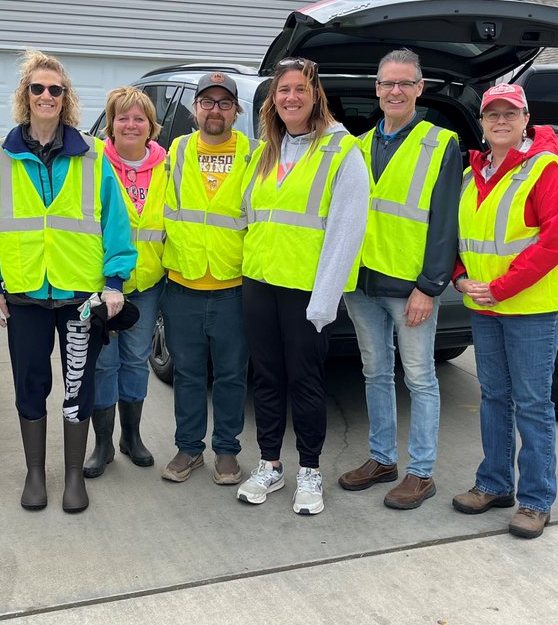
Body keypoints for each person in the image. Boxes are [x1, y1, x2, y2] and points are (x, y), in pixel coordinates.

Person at [0, 51, 135, 513]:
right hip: (24, 294)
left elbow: (116, 224)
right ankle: (33, 474)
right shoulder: (2, 158)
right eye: (37, 88)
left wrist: (114, 280)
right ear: (24, 97)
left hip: (79, 297)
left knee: (77, 383)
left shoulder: (91, 156)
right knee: (30, 383)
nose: (46, 96)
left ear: (66, 99)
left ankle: (71, 477)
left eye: (55, 89)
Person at [236, 57, 368, 515]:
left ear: (315, 95)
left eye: (299, 89)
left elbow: (347, 230)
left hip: (306, 292)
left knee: (306, 383)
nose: (290, 97)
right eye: (282, 90)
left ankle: (309, 470)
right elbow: (248, 216)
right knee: (268, 379)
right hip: (259, 284)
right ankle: (270, 464)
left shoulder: (342, 150)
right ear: (273, 99)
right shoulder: (265, 150)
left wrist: (325, 300)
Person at [337, 49, 461, 509]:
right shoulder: (358, 144)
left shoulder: (440, 143)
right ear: (376, 88)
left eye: (405, 83)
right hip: (364, 283)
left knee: (421, 380)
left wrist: (430, 287)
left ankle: (421, 473)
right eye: (388, 83)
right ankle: (382, 459)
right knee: (375, 373)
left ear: (419, 89)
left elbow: (446, 222)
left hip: (410, 288)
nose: (395, 91)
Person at [452, 82, 558, 539]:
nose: (501, 121)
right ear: (482, 124)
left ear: (526, 119)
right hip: (486, 304)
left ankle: (536, 500)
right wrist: (459, 276)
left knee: (531, 404)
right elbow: (458, 237)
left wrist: (501, 288)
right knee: (494, 397)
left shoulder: (547, 170)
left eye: (511, 113)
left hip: (532, 309)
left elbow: (555, 242)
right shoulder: (472, 174)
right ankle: (494, 484)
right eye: (492, 114)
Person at [159, 73, 252, 486]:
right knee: (189, 374)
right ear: (195, 108)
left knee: (232, 374)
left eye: (224, 103)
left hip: (234, 285)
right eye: (207, 102)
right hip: (183, 284)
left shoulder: (257, 155)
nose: (215, 110)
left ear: (236, 110)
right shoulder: (175, 151)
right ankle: (189, 448)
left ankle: (227, 451)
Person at [84, 87, 166, 477]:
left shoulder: (167, 168)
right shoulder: (93, 162)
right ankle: (102, 445)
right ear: (110, 125)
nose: (131, 124)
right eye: (122, 117)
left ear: (151, 126)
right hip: (99, 283)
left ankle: (131, 437)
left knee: (135, 360)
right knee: (103, 363)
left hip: (147, 284)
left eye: (139, 118)